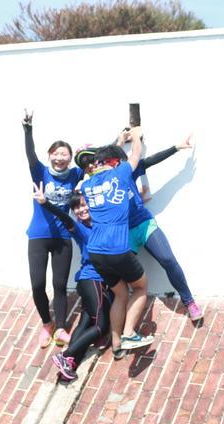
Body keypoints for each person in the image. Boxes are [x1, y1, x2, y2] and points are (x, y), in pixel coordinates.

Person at [76, 125, 154, 359]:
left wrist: (117, 142)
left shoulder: (87, 185)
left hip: (96, 252)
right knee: (140, 287)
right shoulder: (119, 174)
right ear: (115, 163)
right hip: (117, 248)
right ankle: (129, 333)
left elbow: (104, 161)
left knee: (121, 294)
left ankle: (117, 343)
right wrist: (136, 137)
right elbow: (136, 154)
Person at [116, 129, 203, 322]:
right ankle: (121, 318)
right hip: (123, 232)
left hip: (144, 224)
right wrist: (120, 140)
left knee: (168, 259)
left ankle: (189, 302)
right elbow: (103, 155)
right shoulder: (105, 178)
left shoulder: (129, 169)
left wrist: (176, 148)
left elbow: (150, 160)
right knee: (120, 276)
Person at [33, 184, 113, 377]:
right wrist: (45, 203)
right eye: (76, 207)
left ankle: (69, 365)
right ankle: (65, 355)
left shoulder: (104, 223)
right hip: (91, 279)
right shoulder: (79, 228)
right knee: (101, 326)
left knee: (85, 323)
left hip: (95, 283)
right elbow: (64, 216)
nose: (81, 209)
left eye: (84, 205)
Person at [22, 110, 84, 348]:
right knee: (38, 284)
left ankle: (61, 328)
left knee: (60, 285)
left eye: (64, 154)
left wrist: (118, 142)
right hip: (38, 235)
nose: (59, 158)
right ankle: (47, 324)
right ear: (50, 155)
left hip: (62, 238)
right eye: (56, 154)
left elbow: (93, 162)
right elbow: (30, 155)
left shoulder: (75, 174)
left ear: (70, 158)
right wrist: (28, 129)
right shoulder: (40, 172)